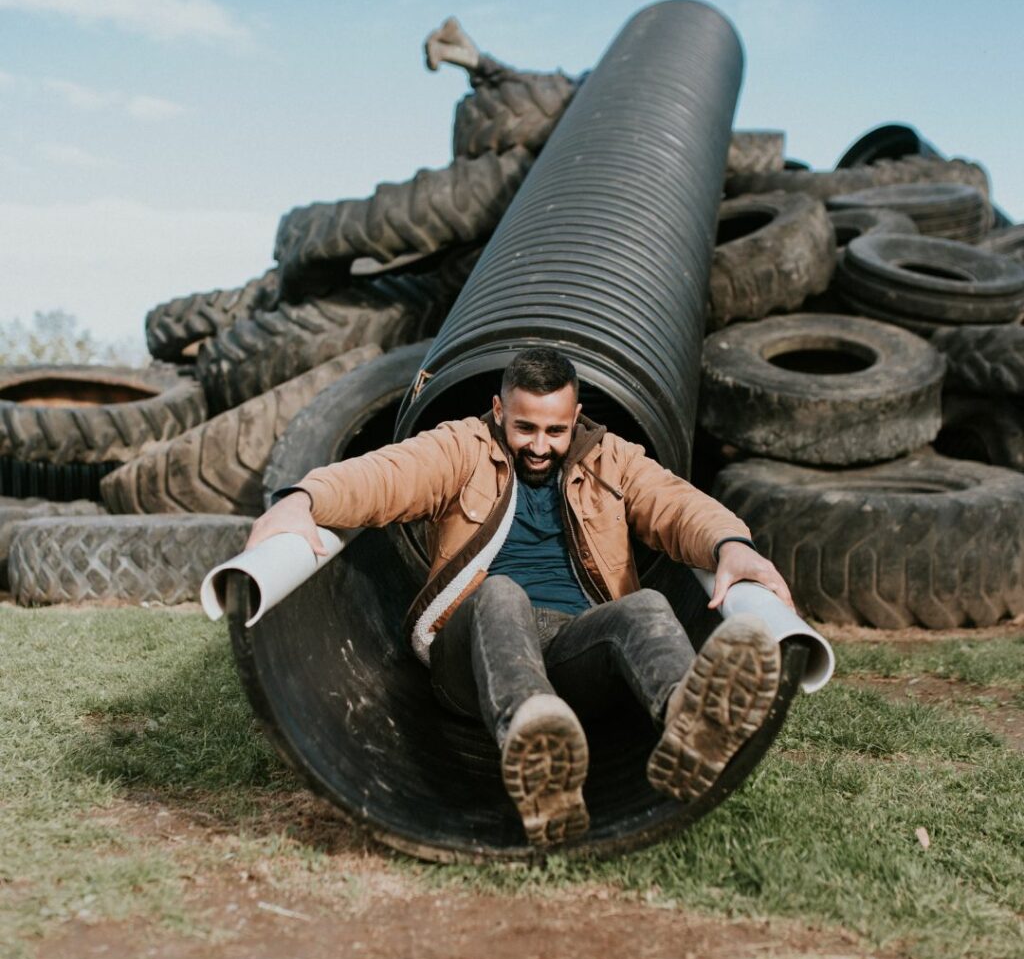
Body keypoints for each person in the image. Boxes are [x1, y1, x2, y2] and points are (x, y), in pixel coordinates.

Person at [246, 347, 793, 847]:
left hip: (572, 648)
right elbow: (388, 474)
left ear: (575, 418)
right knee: (501, 592)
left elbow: (675, 504)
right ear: (499, 410)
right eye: (524, 426)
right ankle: (534, 735)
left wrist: (729, 543)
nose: (538, 445)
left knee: (645, 606)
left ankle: (689, 718)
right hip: (475, 653)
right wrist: (304, 498)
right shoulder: (462, 448)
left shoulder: (613, 460)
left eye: (555, 430)